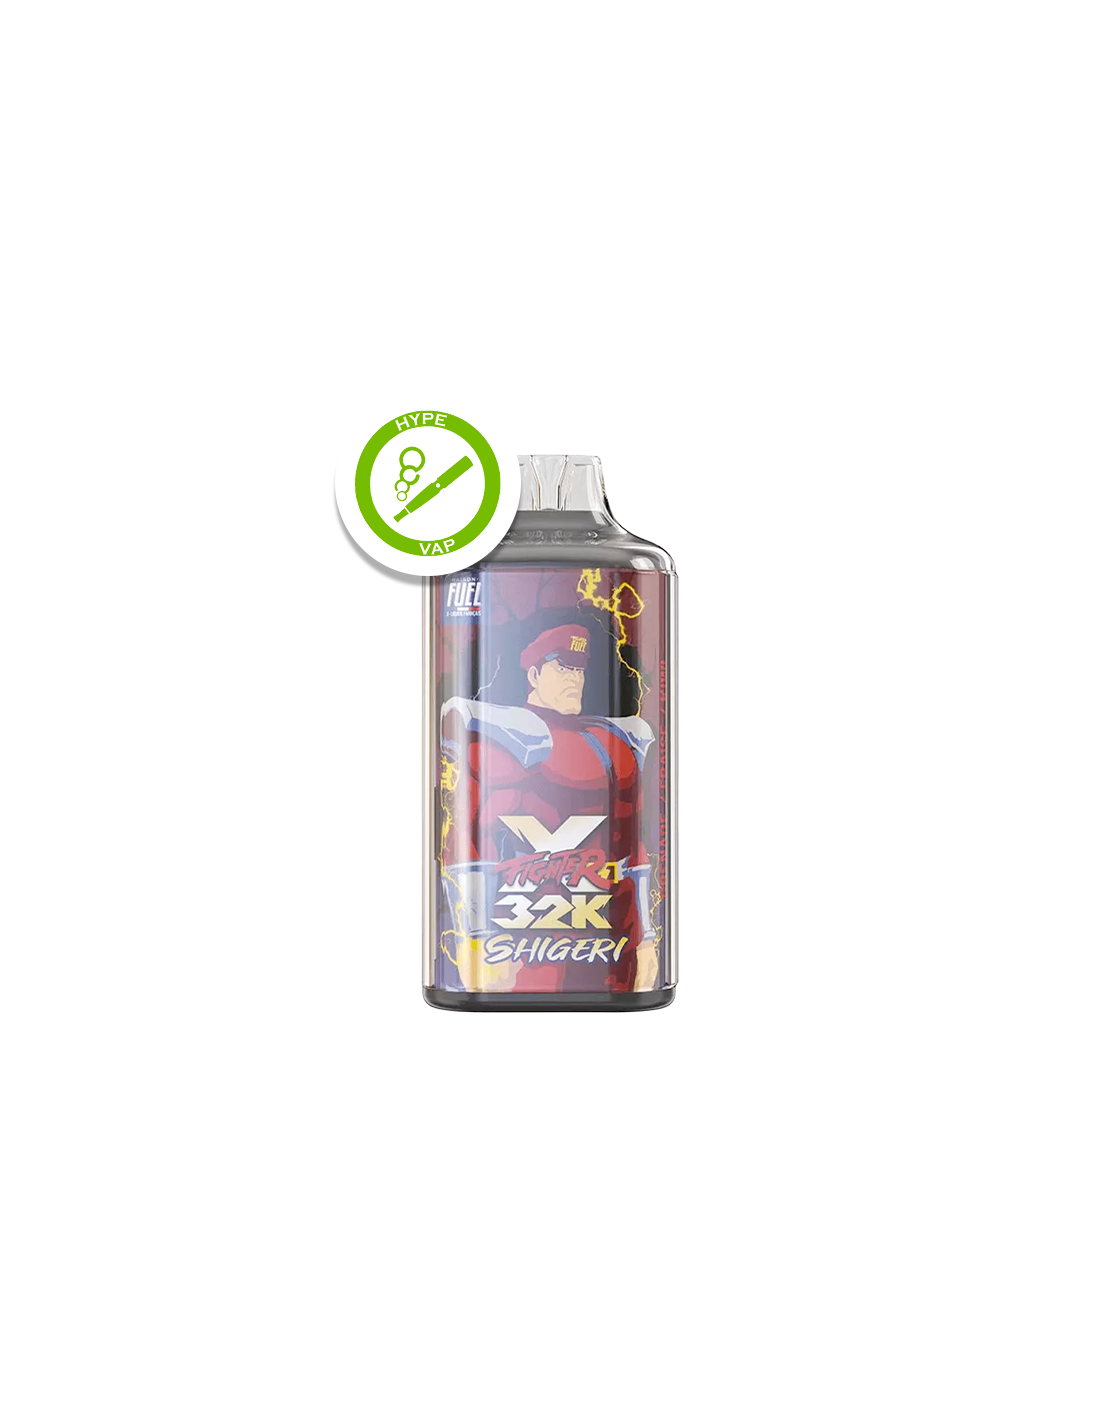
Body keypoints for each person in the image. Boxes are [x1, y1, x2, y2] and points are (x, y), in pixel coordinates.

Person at [440, 623, 659, 993]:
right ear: (534, 675)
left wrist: (646, 939)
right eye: (562, 668)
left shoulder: (616, 743)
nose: (574, 679)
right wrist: (475, 938)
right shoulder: (496, 737)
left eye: (579, 670)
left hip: (605, 942)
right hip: (517, 944)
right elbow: (467, 837)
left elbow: (632, 848)